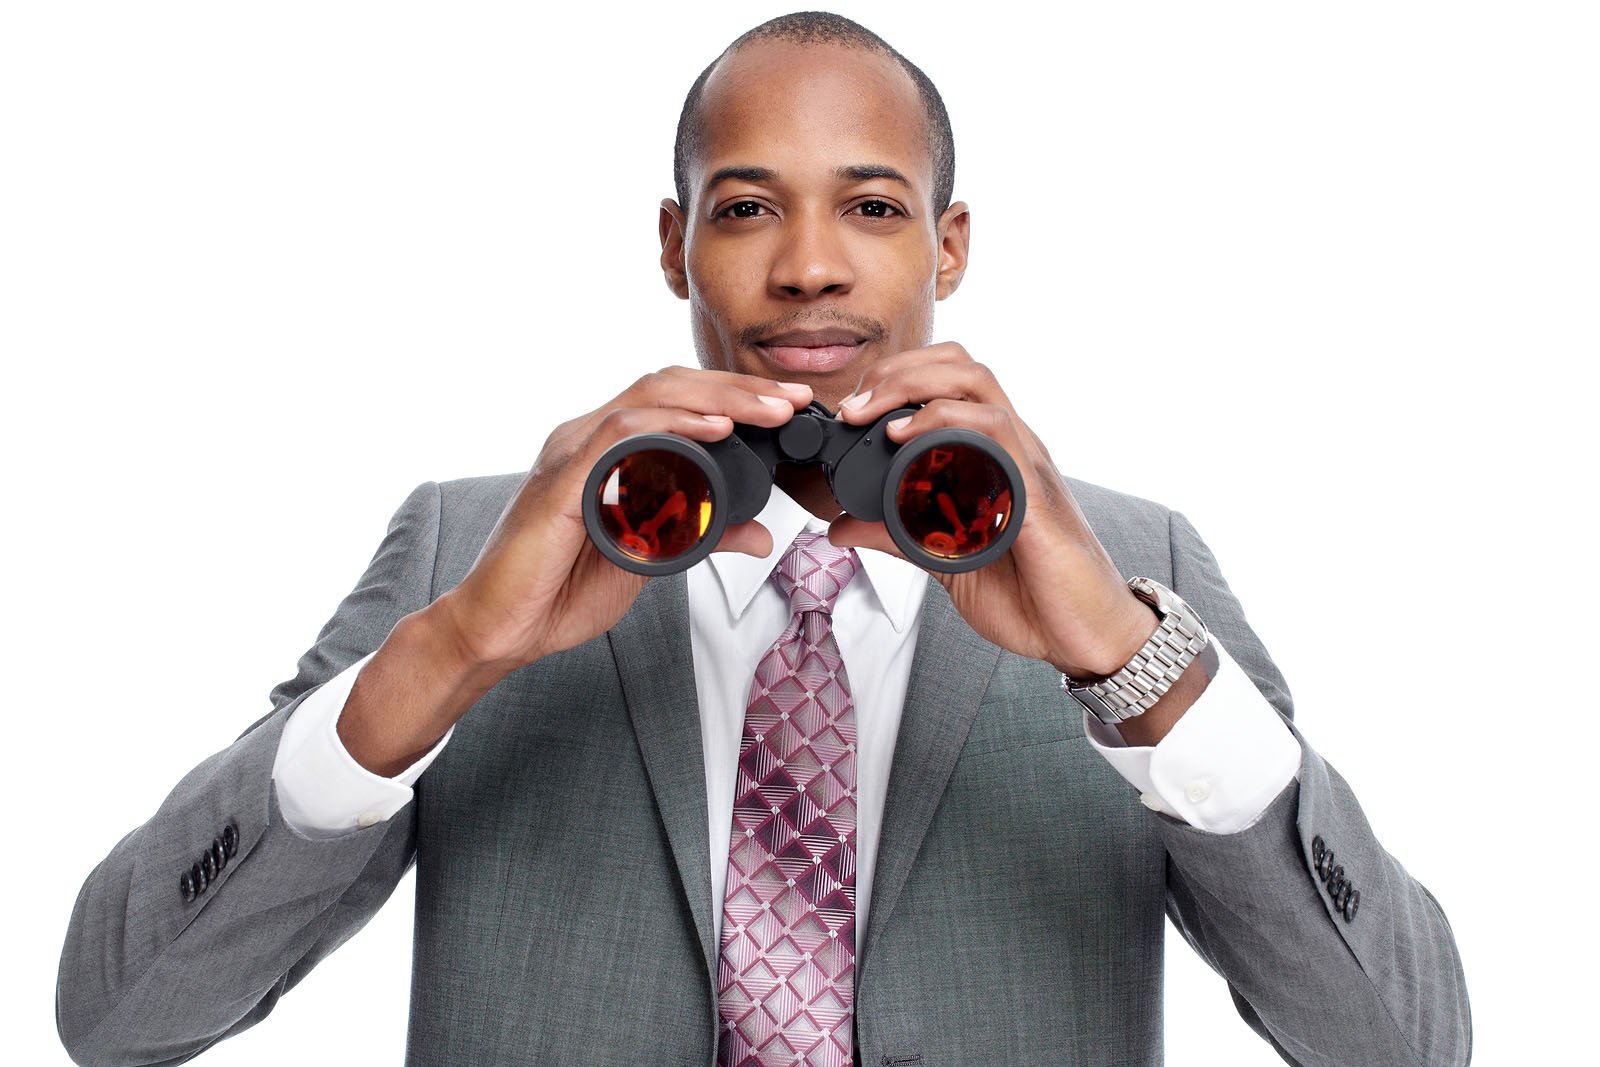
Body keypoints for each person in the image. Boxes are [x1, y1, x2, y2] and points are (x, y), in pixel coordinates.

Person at [57, 12, 1471, 1067]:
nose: (807, 266)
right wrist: (451, 654)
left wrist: (1129, 666)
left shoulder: (1122, 562)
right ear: (673, 243)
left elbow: (1403, 1044)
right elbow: (118, 1017)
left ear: (948, 246)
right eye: (745, 210)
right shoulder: (468, 549)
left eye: (872, 207)